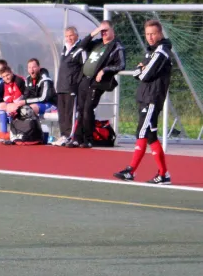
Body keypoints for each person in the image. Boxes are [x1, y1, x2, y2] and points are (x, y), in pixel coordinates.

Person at [114, 20, 173, 184]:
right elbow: (138, 71)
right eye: (147, 34)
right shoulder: (151, 51)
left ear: (160, 33)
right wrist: (140, 70)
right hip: (145, 97)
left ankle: (131, 170)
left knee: (142, 132)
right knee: (151, 136)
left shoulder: (162, 51)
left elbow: (144, 74)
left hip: (152, 99)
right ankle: (163, 174)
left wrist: (141, 70)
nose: (150, 37)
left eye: (153, 33)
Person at [67, 21, 125, 149]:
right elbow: (81, 46)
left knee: (88, 109)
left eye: (106, 30)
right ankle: (77, 138)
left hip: (97, 82)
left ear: (112, 31)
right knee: (81, 110)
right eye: (102, 31)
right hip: (84, 79)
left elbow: (121, 65)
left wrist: (104, 70)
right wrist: (95, 32)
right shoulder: (97, 43)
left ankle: (88, 139)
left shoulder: (117, 46)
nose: (104, 33)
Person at [52, 27, 87, 146]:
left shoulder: (80, 50)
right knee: (61, 113)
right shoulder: (64, 49)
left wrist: (77, 83)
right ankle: (63, 135)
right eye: (66, 36)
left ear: (76, 36)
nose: (69, 38)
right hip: (61, 87)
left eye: (71, 36)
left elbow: (85, 69)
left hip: (71, 87)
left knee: (69, 113)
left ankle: (69, 136)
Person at [0, 66, 26, 140]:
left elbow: (18, 99)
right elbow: (5, 98)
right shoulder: (6, 83)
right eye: (3, 76)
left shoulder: (18, 81)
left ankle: (12, 132)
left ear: (11, 73)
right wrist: (11, 100)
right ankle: (3, 132)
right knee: (0, 106)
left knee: (12, 107)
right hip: (14, 103)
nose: (6, 78)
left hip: (24, 103)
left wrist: (11, 100)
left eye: (7, 75)